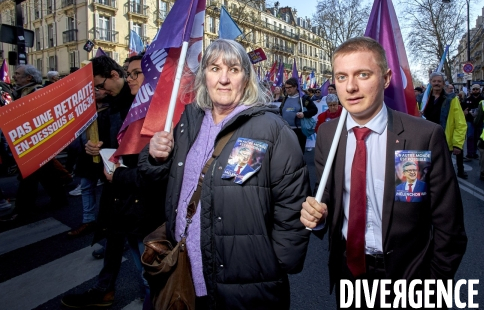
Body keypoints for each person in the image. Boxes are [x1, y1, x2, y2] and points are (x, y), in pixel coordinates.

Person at [138, 39, 311, 308]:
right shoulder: (188, 121)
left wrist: (277, 263)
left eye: (234, 69)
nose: (224, 79)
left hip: (245, 281)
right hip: (186, 268)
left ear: (247, 77)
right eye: (214, 68)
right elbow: (159, 183)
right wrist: (155, 157)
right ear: (203, 75)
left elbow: (292, 202)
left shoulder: (271, 130)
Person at [300, 37, 467, 307]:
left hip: (410, 278)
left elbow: (450, 227)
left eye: (363, 74)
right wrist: (317, 217)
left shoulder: (422, 136)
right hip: (349, 275)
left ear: (386, 78)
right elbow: (329, 200)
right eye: (341, 77)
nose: (351, 87)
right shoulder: (328, 135)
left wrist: (434, 287)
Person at [62, 55, 164, 309]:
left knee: (148, 264)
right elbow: (118, 147)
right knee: (124, 245)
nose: (130, 78)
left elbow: (155, 171)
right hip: (121, 195)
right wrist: (96, 149)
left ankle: (150, 297)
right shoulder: (116, 106)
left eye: (135, 73)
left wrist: (118, 173)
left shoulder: (157, 112)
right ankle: (108, 289)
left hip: (142, 201)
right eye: (129, 73)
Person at [1, 65, 68, 222]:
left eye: (18, 74)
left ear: (29, 78)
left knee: (29, 176)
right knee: (45, 173)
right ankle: (58, 199)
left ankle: (23, 210)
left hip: (36, 142)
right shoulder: (23, 91)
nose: (15, 76)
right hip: (32, 141)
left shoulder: (37, 92)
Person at [422, 72, 468, 179]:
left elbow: (460, 123)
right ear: (430, 83)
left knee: (442, 172)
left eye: (439, 81)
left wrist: (457, 144)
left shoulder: (451, 99)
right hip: (425, 141)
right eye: (434, 81)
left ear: (443, 84)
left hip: (444, 142)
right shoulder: (422, 99)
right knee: (426, 172)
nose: (436, 83)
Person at [280, 77, 317, 153]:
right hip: (286, 129)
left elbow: (314, 110)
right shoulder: (285, 98)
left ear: (295, 87)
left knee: (298, 153)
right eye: (286, 88)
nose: (287, 89)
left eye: (289, 87)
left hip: (299, 130)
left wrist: (304, 114)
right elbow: (281, 110)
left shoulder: (304, 98)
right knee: (286, 153)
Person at [464, 84, 484, 159]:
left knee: (478, 137)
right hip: (470, 120)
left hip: (480, 121)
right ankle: (469, 153)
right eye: (474, 89)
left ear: (480, 90)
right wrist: (466, 112)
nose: (475, 90)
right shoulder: (467, 99)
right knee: (470, 136)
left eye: (477, 89)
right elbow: (463, 108)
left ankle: (475, 152)